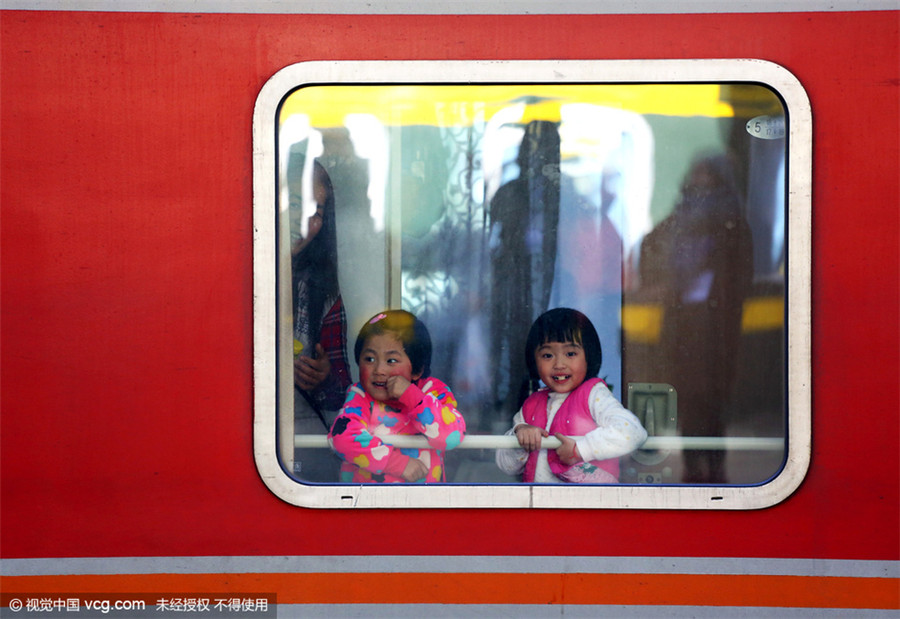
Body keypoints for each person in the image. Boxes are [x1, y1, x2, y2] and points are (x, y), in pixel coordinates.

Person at [496, 308, 647, 483]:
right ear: (533, 360)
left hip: (590, 507)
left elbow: (633, 432)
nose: (559, 364)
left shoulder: (594, 395)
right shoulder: (531, 405)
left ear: (588, 356)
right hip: (539, 507)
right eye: (547, 355)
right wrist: (520, 436)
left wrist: (581, 449)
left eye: (570, 354)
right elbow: (506, 466)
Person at [328, 310, 466, 483]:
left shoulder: (432, 391)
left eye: (391, 361)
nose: (379, 370)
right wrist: (399, 464)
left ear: (417, 370)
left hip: (424, 505)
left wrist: (411, 396)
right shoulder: (360, 395)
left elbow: (451, 436)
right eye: (369, 359)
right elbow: (342, 437)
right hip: (367, 505)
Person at [290, 159, 352, 481]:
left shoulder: (324, 295)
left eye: (317, 213)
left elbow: (342, 396)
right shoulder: (225, 276)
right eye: (295, 203)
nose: (305, 221)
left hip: (296, 440)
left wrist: (325, 376)